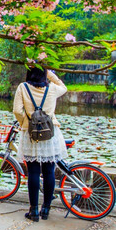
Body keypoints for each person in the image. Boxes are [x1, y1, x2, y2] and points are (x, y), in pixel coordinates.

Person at [13, 66, 68, 222]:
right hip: (50, 134)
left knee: (34, 172)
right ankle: (46, 209)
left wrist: (25, 122)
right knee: (49, 172)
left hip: (31, 134)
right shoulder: (52, 88)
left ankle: (34, 211)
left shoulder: (23, 87)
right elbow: (64, 87)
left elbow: (17, 110)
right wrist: (50, 74)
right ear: (44, 74)